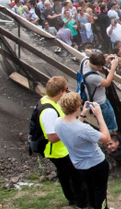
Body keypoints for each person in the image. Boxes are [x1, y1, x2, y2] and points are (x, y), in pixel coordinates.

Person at [37, 77, 88, 209]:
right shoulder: (48, 111)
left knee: (65, 175)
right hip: (58, 151)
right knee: (76, 176)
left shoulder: (49, 102)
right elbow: (52, 137)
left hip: (62, 149)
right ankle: (82, 203)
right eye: (66, 89)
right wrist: (69, 130)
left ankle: (72, 198)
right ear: (60, 91)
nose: (67, 91)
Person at [54, 93, 111, 209]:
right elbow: (106, 138)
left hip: (80, 165)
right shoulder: (84, 129)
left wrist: (83, 115)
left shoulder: (58, 123)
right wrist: (99, 116)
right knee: (100, 193)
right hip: (97, 164)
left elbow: (73, 128)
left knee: (90, 190)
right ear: (77, 107)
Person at [80, 51, 119, 132]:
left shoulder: (85, 61)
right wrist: (113, 67)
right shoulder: (92, 77)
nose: (101, 69)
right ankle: (109, 138)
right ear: (93, 64)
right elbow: (107, 82)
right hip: (100, 103)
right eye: (99, 67)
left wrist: (105, 61)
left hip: (98, 99)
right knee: (108, 125)